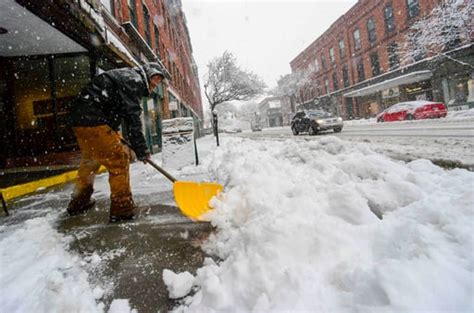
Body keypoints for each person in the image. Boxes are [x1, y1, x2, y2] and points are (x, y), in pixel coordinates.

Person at [66, 62, 168, 222]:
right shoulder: (134, 80)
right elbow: (132, 118)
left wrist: (114, 132)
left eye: (159, 80)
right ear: (147, 74)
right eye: (154, 77)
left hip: (80, 121)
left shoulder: (127, 77)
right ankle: (123, 209)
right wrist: (142, 151)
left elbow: (116, 109)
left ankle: (79, 202)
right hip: (93, 120)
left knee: (90, 161)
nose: (156, 83)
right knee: (119, 160)